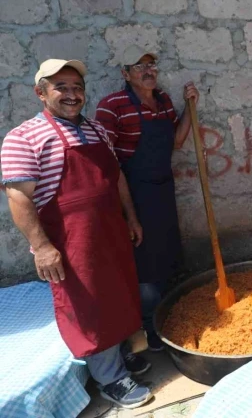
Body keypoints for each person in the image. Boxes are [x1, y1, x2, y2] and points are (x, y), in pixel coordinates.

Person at [1, 59, 152, 408]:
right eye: (61, 87)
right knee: (88, 304)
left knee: (117, 293)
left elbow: (115, 177)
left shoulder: (97, 131)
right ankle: (110, 379)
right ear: (41, 93)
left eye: (77, 87)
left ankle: (118, 357)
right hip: (71, 240)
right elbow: (18, 196)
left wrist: (131, 217)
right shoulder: (22, 137)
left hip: (110, 230)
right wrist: (41, 247)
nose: (72, 95)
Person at [95, 45, 199, 361]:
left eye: (151, 64)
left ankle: (168, 323)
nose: (148, 70)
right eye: (139, 67)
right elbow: (105, 162)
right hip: (134, 194)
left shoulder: (164, 100)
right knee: (144, 267)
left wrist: (190, 107)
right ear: (125, 74)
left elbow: (177, 141)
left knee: (167, 256)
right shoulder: (112, 106)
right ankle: (150, 331)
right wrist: (127, 214)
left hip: (163, 191)